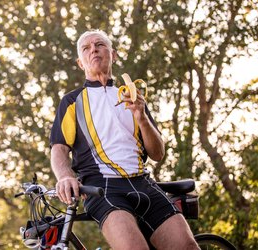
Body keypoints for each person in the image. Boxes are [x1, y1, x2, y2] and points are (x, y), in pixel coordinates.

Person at [49, 30, 199, 250]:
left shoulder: (133, 96)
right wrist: (64, 177)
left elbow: (157, 154)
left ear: (114, 54)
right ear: (80, 63)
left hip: (144, 183)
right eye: (86, 48)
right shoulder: (72, 102)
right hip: (103, 187)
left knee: (188, 247)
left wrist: (142, 117)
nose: (94, 50)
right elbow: (59, 148)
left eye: (100, 44)